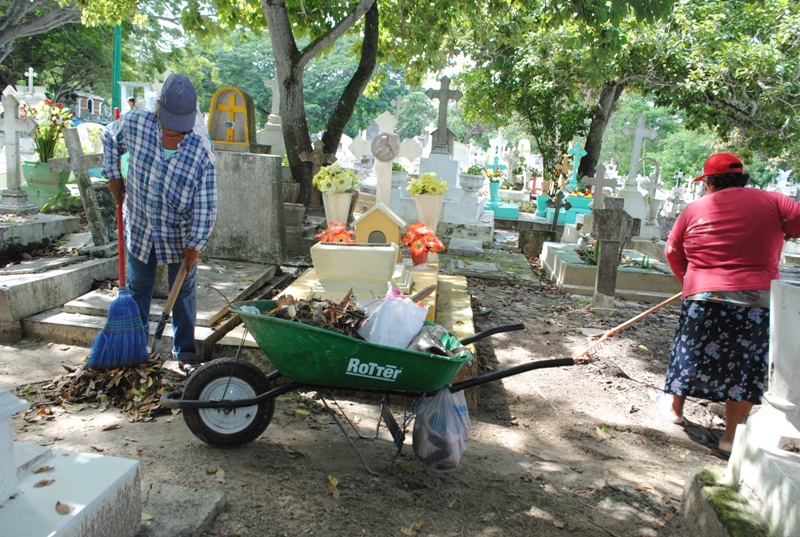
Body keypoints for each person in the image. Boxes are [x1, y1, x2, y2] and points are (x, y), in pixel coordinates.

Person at [655, 152, 800, 456]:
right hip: (757, 301)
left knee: (690, 353)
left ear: (708, 182)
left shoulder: (695, 209)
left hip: (705, 296)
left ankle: (675, 408)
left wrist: (689, 281)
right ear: (742, 179)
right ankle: (730, 437)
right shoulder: (774, 202)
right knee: (745, 366)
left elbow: (672, 250)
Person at [103, 74, 217, 370]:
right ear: (158, 111)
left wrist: (195, 245)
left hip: (178, 233)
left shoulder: (201, 150)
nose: (172, 135)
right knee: (139, 287)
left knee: (183, 291)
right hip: (140, 224)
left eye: (179, 130)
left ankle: (186, 351)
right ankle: (136, 349)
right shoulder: (136, 123)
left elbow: (206, 205)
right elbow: (108, 136)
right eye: (167, 127)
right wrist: (113, 174)